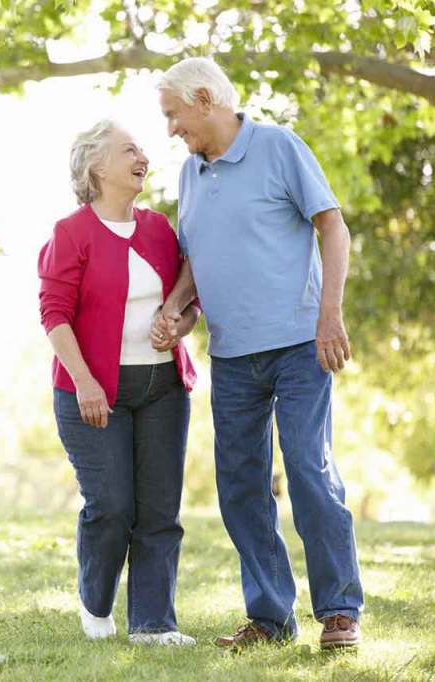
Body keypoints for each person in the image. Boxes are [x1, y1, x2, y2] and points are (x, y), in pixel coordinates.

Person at [153, 57, 364, 650]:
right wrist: (174, 307)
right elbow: (195, 259)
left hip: (298, 343)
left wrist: (330, 314)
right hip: (232, 355)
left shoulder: (278, 147)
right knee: (241, 487)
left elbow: (333, 227)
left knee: (308, 468)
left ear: (204, 99)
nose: (171, 129)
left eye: (173, 115)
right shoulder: (190, 174)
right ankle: (271, 618)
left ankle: (340, 610)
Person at [37, 118, 201, 645]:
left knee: (159, 511)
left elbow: (188, 303)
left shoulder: (159, 229)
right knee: (111, 507)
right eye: (129, 150)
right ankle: (96, 605)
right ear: (97, 167)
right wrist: (85, 381)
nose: (142, 158)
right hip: (91, 392)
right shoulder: (71, 233)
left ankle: (154, 624)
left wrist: (177, 324)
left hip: (162, 388)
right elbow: (54, 314)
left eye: (141, 150)